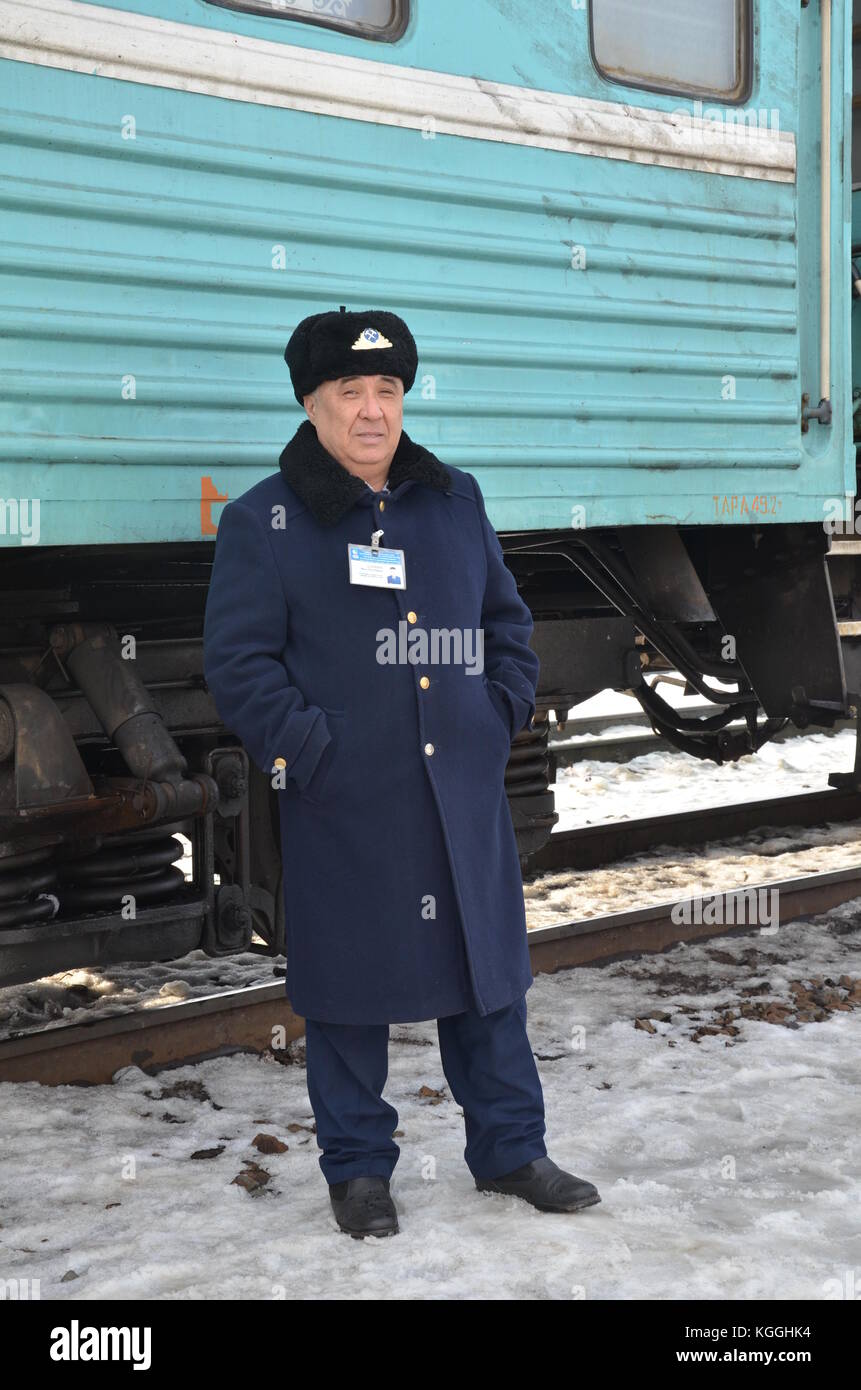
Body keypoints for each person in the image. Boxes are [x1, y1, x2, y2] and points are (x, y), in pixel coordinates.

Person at [203, 307, 601, 1237]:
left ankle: (511, 1152)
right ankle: (358, 1174)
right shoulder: (264, 519)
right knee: (347, 986)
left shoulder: (452, 499)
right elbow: (239, 664)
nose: (372, 410)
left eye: (386, 390)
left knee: (488, 973)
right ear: (312, 402)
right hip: (347, 790)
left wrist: (496, 712)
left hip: (457, 782)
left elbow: (506, 624)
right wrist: (312, 749)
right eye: (350, 391)